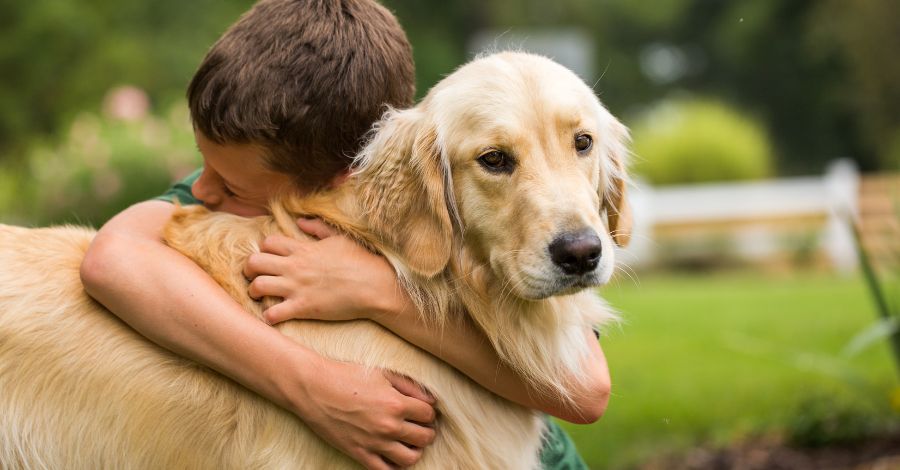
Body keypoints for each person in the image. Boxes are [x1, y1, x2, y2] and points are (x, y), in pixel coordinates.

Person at [79, 1, 610, 468]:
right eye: (204, 166)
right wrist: (311, 385)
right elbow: (112, 259)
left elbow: (586, 391)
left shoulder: (412, 184)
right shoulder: (238, 180)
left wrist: (378, 293)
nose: (204, 191)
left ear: (340, 182)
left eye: (232, 183)